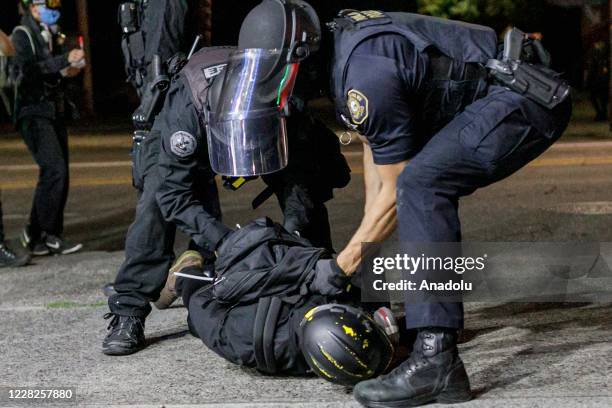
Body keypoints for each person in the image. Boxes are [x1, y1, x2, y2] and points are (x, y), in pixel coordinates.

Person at [320, 11, 572, 407]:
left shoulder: (365, 69)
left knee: (423, 183)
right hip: (503, 89)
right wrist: (370, 288)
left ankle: (437, 360)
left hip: (527, 93)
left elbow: (397, 189)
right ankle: (417, 332)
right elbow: (380, 166)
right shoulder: (346, 53)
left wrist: (342, 268)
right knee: (413, 186)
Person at [103, 0, 349, 356]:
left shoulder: (282, 103)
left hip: (260, 128)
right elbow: (176, 195)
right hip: (189, 130)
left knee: (308, 188)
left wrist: (295, 236)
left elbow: (299, 181)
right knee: (155, 199)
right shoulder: (186, 112)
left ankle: (321, 278)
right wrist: (224, 242)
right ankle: (128, 309)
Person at [167, 217, 394, 383]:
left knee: (198, 297)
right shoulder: (345, 307)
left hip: (251, 274)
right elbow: (371, 258)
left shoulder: (245, 340)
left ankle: (184, 273)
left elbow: (201, 304)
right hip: (274, 254)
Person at [13, 0, 84, 256]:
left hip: (52, 111)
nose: (54, 7)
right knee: (55, 170)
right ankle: (50, 234)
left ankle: (35, 234)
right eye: (48, 3)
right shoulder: (22, 34)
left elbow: (54, 71)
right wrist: (64, 59)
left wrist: (69, 69)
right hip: (32, 112)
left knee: (55, 172)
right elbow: (29, 70)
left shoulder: (54, 33)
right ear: (32, 7)